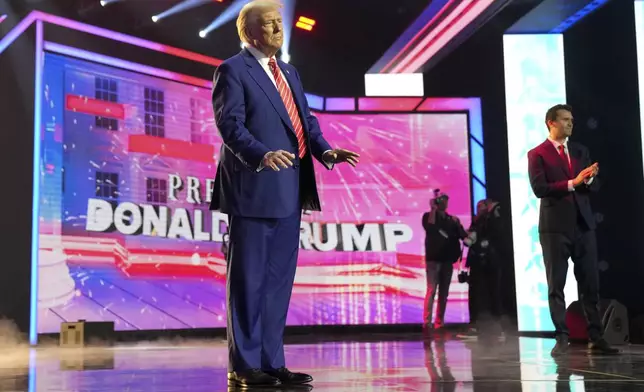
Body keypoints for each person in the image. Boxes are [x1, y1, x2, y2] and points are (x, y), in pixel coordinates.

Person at [209, 1, 360, 388]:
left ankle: (272, 361)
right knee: (248, 282)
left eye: (280, 21)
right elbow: (230, 125)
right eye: (271, 23)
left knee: (278, 284)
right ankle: (243, 365)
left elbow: (305, 122)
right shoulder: (232, 70)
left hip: (290, 191)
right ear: (250, 32)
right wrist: (260, 154)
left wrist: (325, 149)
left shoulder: (289, 71)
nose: (279, 28)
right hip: (254, 189)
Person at [527, 104, 617, 355]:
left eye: (572, 120)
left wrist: (588, 179)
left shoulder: (580, 150)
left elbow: (592, 186)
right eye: (565, 120)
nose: (570, 124)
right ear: (551, 123)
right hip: (555, 228)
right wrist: (572, 183)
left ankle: (596, 335)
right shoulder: (538, 154)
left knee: (590, 282)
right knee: (556, 284)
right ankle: (562, 336)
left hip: (583, 224)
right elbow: (540, 189)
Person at [421, 190, 468, 330]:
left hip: (447, 260)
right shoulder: (428, 216)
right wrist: (433, 210)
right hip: (433, 260)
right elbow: (430, 227)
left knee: (444, 292)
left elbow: (462, 235)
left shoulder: (451, 219)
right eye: (442, 200)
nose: (445, 202)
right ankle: (427, 322)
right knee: (431, 290)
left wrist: (470, 238)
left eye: (446, 200)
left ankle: (439, 322)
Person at [463, 199, 504, 338]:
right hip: (477, 261)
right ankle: (474, 326)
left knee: (494, 292)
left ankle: (497, 327)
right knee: (475, 294)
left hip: (490, 261)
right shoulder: (477, 221)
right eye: (477, 207)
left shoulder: (492, 218)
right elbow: (469, 240)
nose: (479, 209)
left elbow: (496, 233)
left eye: (482, 207)